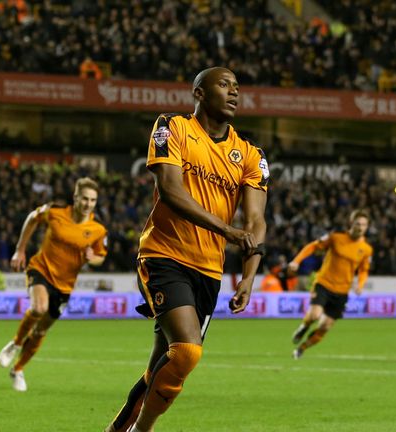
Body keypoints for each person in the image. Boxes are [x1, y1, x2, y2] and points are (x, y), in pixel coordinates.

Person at [104, 67, 269, 432]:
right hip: (164, 255)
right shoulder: (171, 127)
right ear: (199, 92)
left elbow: (256, 221)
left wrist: (249, 277)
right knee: (187, 351)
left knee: (163, 364)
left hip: (209, 271)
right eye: (224, 85)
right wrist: (227, 229)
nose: (234, 92)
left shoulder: (251, 155)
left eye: (237, 87)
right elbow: (170, 191)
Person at [0, 177, 108, 391]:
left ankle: (18, 369)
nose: (87, 204)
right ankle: (16, 343)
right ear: (75, 198)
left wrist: (92, 258)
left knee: (40, 331)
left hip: (65, 285)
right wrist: (20, 249)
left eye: (92, 200)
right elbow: (32, 218)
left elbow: (101, 256)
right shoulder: (56, 212)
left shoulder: (98, 230)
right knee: (39, 308)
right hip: (41, 269)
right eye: (84, 198)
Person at [289, 210, 373, 359]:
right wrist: (296, 261)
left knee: (325, 326)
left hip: (342, 292)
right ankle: (304, 327)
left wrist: (360, 285)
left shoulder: (366, 249)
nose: (360, 227)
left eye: (364, 225)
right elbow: (313, 246)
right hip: (324, 283)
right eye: (358, 223)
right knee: (315, 315)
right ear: (351, 223)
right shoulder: (336, 237)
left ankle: (302, 348)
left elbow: (364, 270)